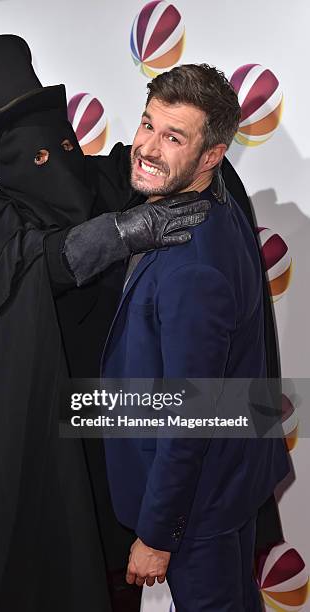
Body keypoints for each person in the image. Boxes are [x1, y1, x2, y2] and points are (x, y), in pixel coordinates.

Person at [0, 35, 210, 612]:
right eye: (39, 156)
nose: (58, 161)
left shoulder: (106, 179)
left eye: (64, 142)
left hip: (113, 439)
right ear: (6, 165)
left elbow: (178, 164)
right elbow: (45, 258)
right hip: (42, 452)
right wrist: (122, 233)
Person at [101, 64, 290, 611]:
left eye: (173, 137)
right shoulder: (216, 195)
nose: (146, 148)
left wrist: (158, 535)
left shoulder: (193, 268)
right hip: (227, 483)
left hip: (198, 506)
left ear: (212, 155)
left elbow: (191, 417)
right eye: (147, 125)